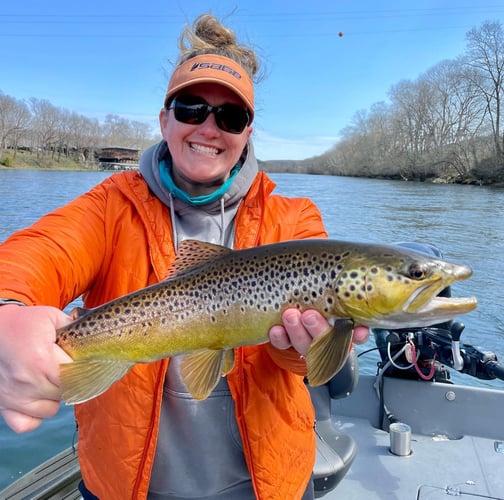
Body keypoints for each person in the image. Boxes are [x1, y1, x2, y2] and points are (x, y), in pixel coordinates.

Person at [0, 14, 368, 500]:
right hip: (126, 485)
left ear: (247, 133)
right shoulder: (112, 205)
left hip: (266, 483)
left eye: (230, 117)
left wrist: (304, 348)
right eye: (191, 108)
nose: (209, 128)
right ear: (164, 119)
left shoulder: (295, 220)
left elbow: (302, 365)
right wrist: (8, 311)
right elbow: (41, 251)